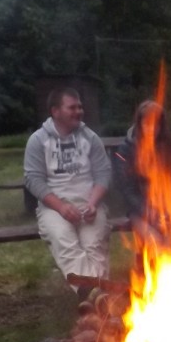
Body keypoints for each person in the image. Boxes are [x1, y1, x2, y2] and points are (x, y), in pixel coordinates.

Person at [23, 87, 112, 295]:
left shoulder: (90, 138)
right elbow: (33, 180)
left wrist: (93, 203)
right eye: (72, 107)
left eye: (80, 106)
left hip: (90, 204)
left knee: (94, 244)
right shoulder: (38, 141)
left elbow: (103, 174)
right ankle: (99, 298)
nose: (79, 111)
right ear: (55, 111)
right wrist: (61, 207)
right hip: (54, 207)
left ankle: (93, 300)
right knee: (64, 240)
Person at [113, 100, 171, 247]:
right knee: (156, 242)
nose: (152, 129)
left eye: (156, 124)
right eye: (147, 124)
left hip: (167, 210)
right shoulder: (127, 151)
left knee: (169, 244)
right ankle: (146, 263)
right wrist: (149, 212)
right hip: (139, 210)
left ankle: (148, 265)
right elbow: (128, 190)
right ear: (139, 124)